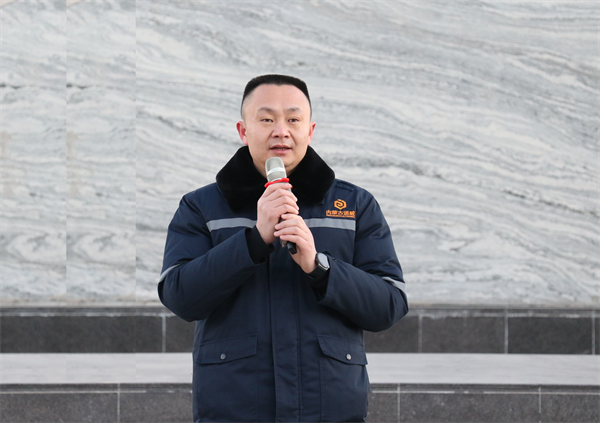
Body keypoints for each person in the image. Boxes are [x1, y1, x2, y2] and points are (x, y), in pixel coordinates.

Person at [158, 74, 408, 423]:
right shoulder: (201, 207)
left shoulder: (355, 205)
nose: (281, 131)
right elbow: (179, 296)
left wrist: (319, 268)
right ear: (243, 131)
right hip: (234, 407)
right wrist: (253, 241)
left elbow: (389, 305)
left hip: (329, 408)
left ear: (310, 130)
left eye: (293, 119)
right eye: (266, 119)